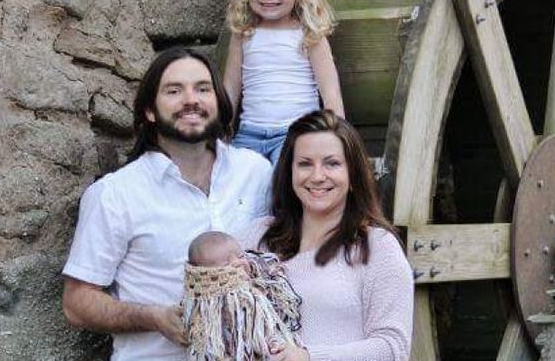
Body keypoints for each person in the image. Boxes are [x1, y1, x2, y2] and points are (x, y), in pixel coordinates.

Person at [61, 47, 273, 361]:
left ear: (218, 101)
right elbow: (76, 303)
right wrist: (154, 318)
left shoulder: (257, 172)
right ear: (149, 110)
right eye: (174, 91)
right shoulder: (115, 194)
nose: (191, 100)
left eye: (203, 89)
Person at [239, 110, 413, 361]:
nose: (317, 176)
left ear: (353, 175)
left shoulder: (378, 247)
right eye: (305, 164)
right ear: (289, 173)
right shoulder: (257, 237)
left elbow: (393, 348)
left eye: (332, 163)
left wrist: (309, 357)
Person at [224, 0, 345, 165]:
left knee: (284, 178)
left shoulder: (310, 34)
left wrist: (338, 141)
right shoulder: (243, 34)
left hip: (297, 135)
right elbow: (230, 87)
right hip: (249, 134)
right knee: (238, 177)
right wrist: (221, 131)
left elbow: (331, 93)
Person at [182, 231, 302, 360]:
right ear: (207, 277)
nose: (238, 263)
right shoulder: (207, 308)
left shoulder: (265, 279)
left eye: (240, 256)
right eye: (225, 265)